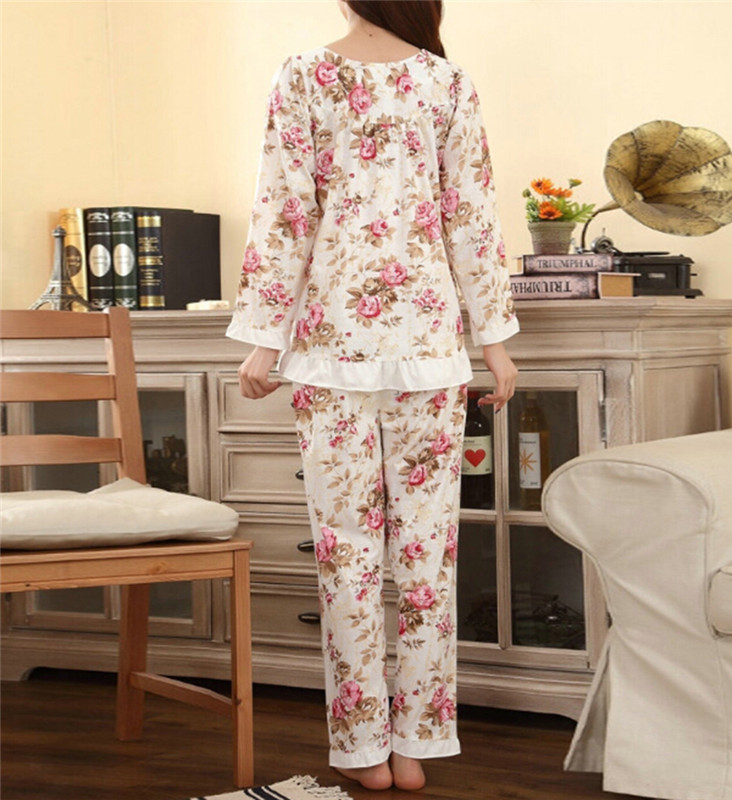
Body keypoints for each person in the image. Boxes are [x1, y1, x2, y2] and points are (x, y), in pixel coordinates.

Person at [228, 0, 519, 791]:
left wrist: (265, 338)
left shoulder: (304, 74)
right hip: (430, 350)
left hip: (332, 351)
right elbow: (471, 217)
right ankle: (415, 744)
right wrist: (494, 343)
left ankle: (362, 749)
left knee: (346, 555)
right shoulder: (447, 83)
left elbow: (285, 211)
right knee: (428, 556)